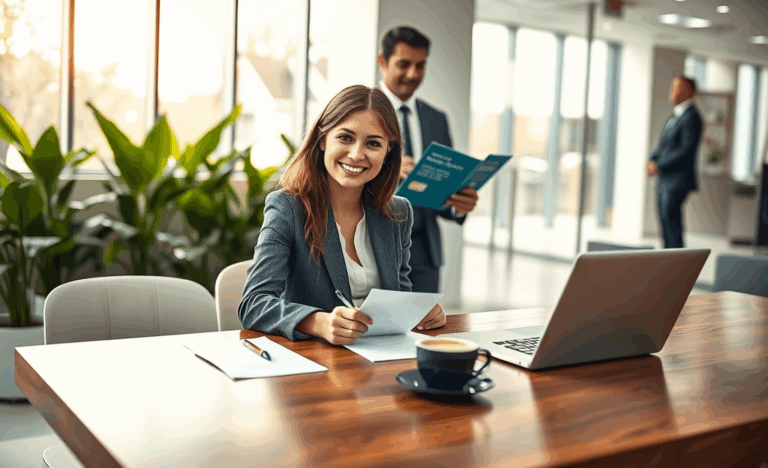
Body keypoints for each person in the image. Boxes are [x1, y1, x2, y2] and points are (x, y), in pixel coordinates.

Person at [238, 85, 447, 344]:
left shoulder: (398, 212)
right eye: (345, 138)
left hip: (381, 360)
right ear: (323, 139)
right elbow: (253, 304)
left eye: (373, 143)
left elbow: (399, 296)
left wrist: (419, 311)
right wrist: (318, 322)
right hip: (316, 364)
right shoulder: (287, 207)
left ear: (388, 152)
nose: (357, 154)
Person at [377, 26, 479, 293]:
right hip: (374, 247)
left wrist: (458, 205)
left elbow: (441, 191)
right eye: (404, 64)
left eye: (420, 65)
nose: (413, 74)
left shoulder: (436, 119)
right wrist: (386, 167)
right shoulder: (361, 111)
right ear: (382, 62)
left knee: (426, 332)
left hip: (424, 254)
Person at [647, 76, 703, 249]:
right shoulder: (676, 115)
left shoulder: (692, 117)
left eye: (677, 87)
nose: (671, 90)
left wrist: (658, 165)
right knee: (665, 225)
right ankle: (667, 264)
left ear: (688, 91)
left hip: (677, 181)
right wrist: (652, 159)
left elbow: (685, 150)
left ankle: (676, 267)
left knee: (672, 228)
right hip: (665, 180)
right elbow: (664, 145)